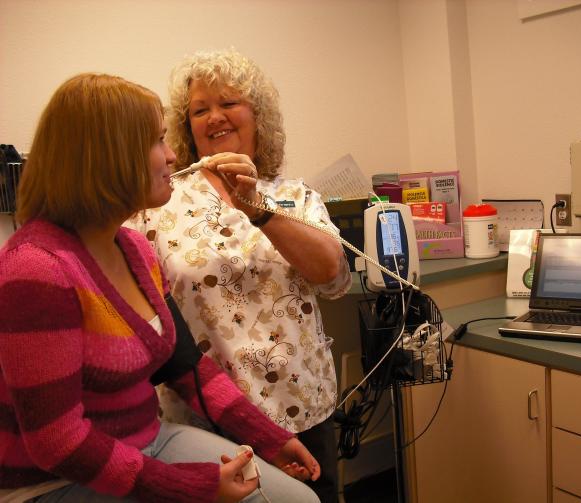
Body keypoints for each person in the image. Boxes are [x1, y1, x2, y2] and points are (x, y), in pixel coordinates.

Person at [0, 72, 321, 503]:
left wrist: (269, 438)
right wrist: (190, 487)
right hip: (55, 480)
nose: (172, 156)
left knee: (298, 500)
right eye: (157, 141)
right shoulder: (36, 270)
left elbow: (186, 367)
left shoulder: (133, 248)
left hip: (148, 441)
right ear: (107, 157)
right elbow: (57, 442)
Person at [127, 49, 352, 502]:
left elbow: (332, 275)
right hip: (208, 419)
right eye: (199, 110)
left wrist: (261, 212)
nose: (215, 117)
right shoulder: (156, 202)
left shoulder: (293, 195)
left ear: (257, 114)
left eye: (228, 103)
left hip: (303, 405)